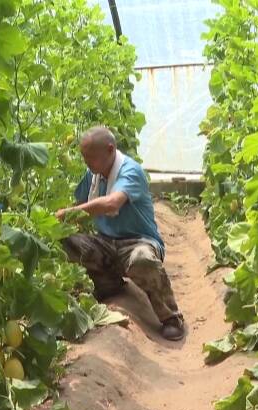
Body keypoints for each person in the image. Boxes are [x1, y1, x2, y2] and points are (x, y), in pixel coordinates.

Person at [55, 126, 185, 341]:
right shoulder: (93, 175)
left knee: (142, 260)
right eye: (84, 156)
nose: (86, 162)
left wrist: (68, 213)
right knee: (66, 242)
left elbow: (111, 203)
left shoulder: (131, 171)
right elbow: (78, 204)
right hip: (106, 242)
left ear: (110, 150)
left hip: (139, 243)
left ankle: (171, 317)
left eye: (90, 157)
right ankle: (108, 284)